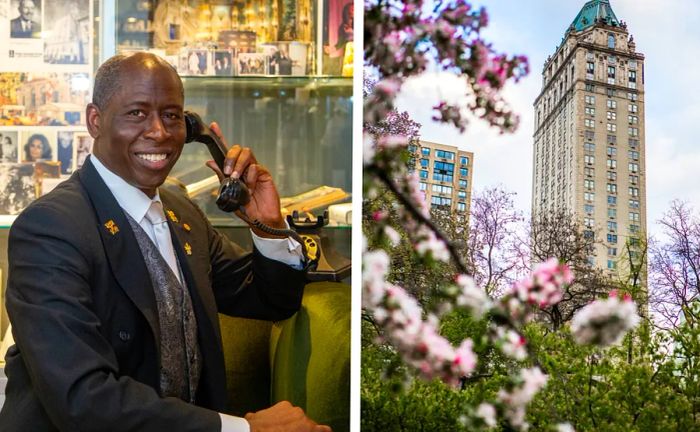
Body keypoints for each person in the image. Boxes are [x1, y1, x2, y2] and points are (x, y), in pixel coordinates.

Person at [0, 52, 331, 432]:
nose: (158, 131)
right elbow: (84, 400)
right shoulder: (50, 228)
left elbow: (272, 300)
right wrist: (244, 429)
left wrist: (269, 225)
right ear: (95, 120)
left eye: (172, 116)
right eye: (137, 113)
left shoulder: (183, 213)